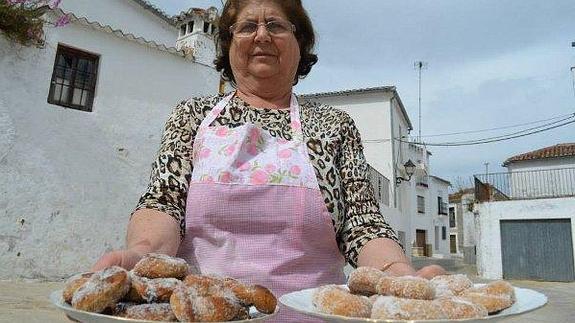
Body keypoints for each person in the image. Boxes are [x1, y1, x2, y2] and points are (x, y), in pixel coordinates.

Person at [93, 0, 445, 320]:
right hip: (204, 314)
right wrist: (142, 253)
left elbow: (362, 225)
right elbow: (164, 202)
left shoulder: (333, 126)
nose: (261, 35)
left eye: (275, 25)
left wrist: (397, 271)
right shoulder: (193, 116)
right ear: (229, 45)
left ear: (299, 43)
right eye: (247, 27)